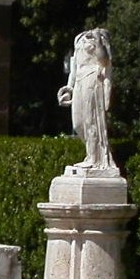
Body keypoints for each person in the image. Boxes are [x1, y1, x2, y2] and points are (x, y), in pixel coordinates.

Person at [58, 28, 116, 174]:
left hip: (92, 79)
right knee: (78, 124)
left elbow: (105, 61)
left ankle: (94, 158)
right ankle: (91, 154)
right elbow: (74, 68)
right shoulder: (79, 39)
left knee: (91, 121)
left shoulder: (101, 38)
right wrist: (69, 88)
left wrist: (97, 40)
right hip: (79, 81)